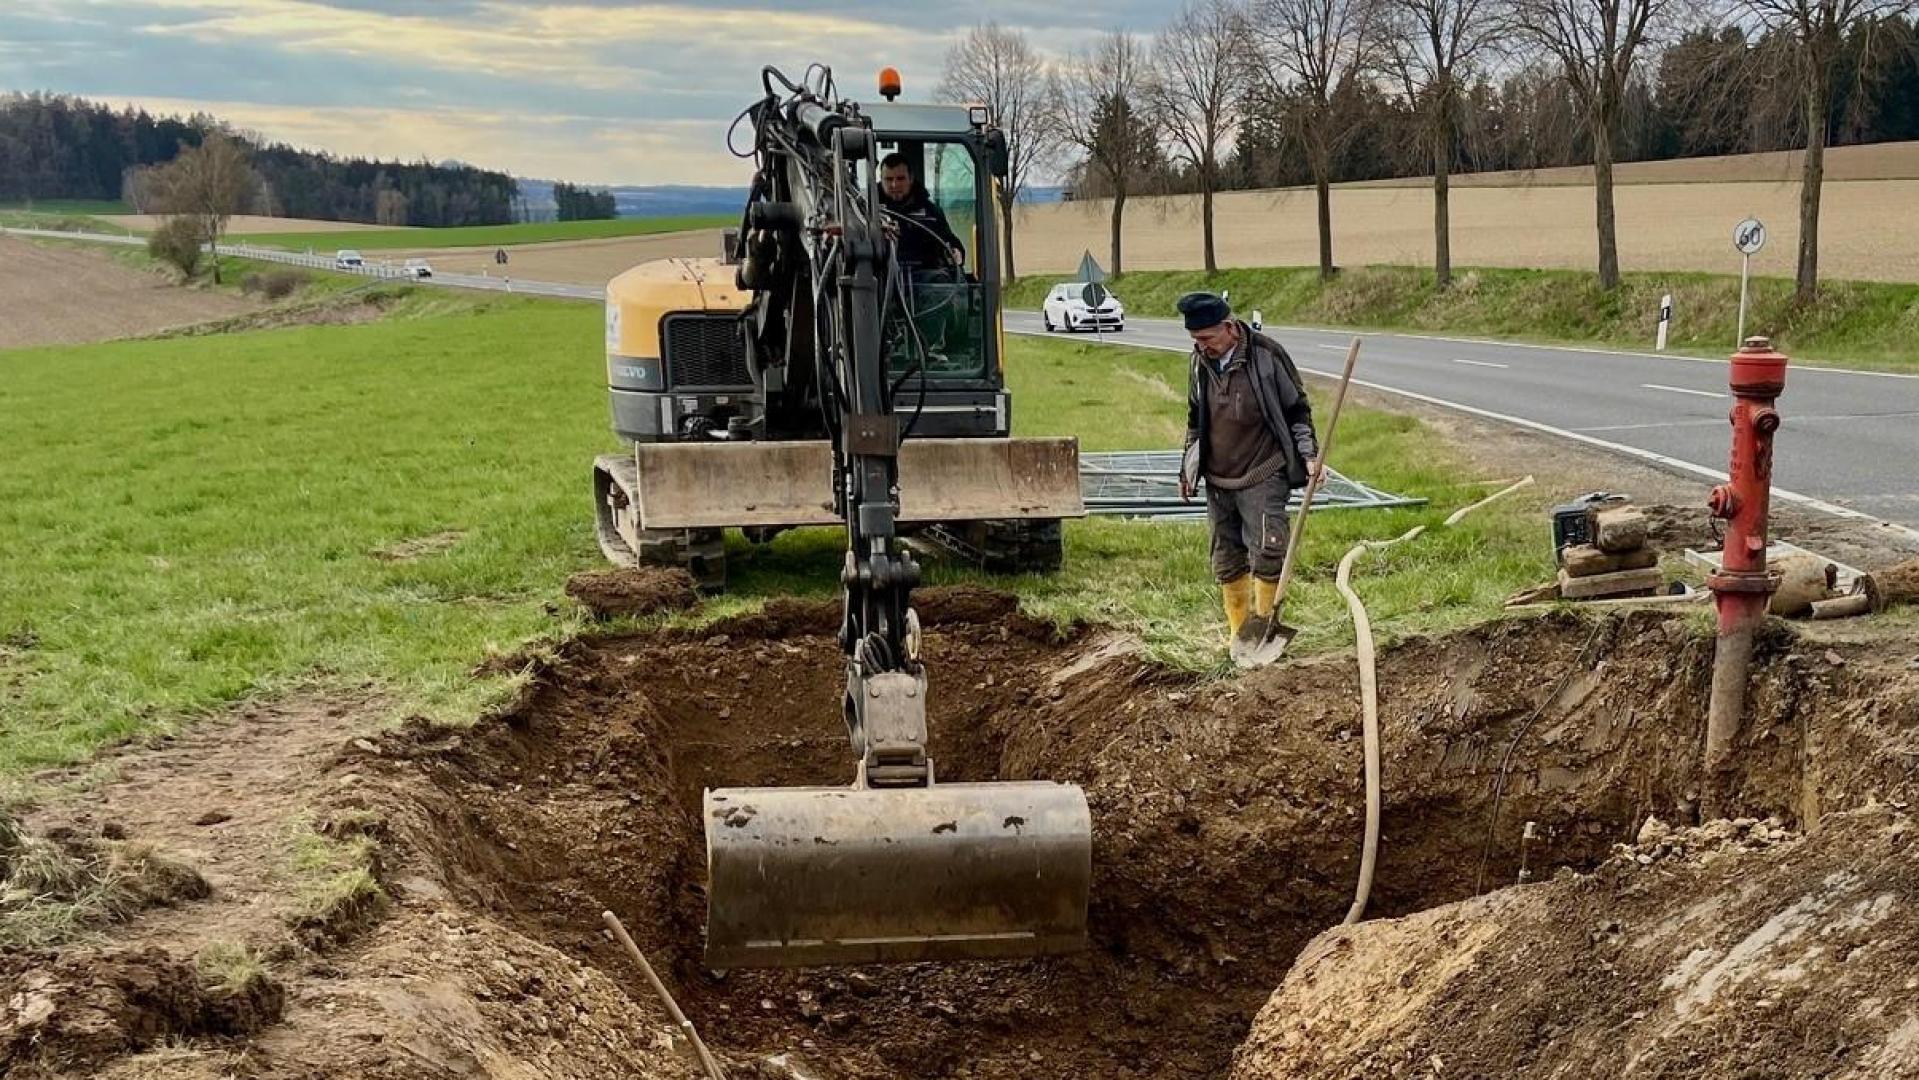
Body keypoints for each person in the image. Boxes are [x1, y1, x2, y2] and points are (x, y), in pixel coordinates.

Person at [1176, 292, 1320, 639]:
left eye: (1206, 339)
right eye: (1195, 340)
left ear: (1229, 328)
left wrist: (1309, 454)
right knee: (1226, 561)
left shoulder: (1267, 356)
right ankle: (1239, 638)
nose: (1201, 346)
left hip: (1262, 471)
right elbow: (1195, 418)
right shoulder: (1199, 362)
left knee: (1269, 552)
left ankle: (1265, 629)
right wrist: (1187, 468)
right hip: (1218, 478)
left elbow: (1297, 410)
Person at [878, 154, 964, 271]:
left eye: (900, 179)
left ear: (911, 178)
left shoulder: (931, 213)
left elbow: (949, 241)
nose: (894, 185)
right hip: (881, 282)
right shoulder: (868, 212)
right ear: (881, 180)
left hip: (925, 283)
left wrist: (955, 253)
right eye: (889, 179)